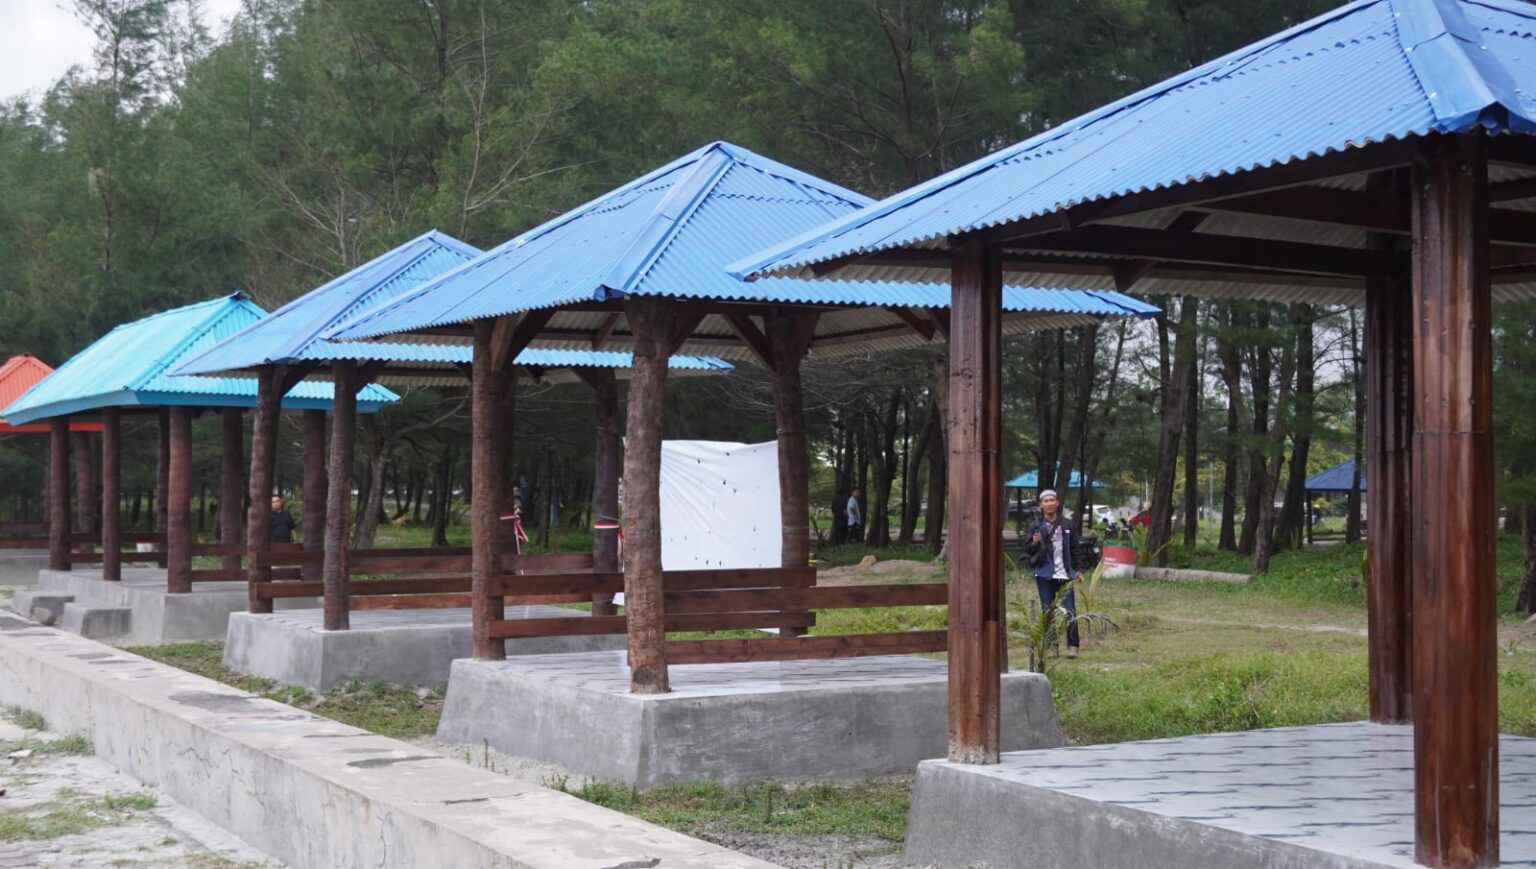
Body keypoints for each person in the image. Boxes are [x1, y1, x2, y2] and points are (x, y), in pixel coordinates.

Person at [1022, 489, 1082, 658]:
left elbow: (1075, 549)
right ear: (1041, 505)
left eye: (1052, 500)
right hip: (1044, 574)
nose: (1049, 503)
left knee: (1070, 610)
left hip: (1066, 574)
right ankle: (1051, 646)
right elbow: (1027, 549)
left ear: (1057, 503)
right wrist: (1034, 543)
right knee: (1047, 611)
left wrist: (1079, 570)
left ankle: (1073, 646)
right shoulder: (1035, 525)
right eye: (1046, 501)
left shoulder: (1068, 524)